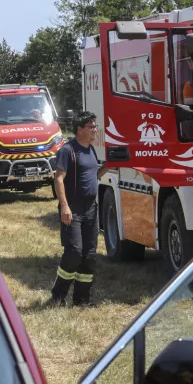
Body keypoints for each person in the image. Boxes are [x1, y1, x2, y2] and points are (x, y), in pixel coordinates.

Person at [50, 111, 108, 306]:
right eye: (91, 126)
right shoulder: (68, 150)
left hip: (91, 208)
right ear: (80, 129)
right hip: (73, 208)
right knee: (74, 251)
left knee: (89, 254)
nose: (95, 130)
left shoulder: (91, 150)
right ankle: (58, 296)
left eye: (94, 126)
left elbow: (93, 175)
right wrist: (65, 206)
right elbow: (59, 178)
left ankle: (81, 299)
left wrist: (108, 167)